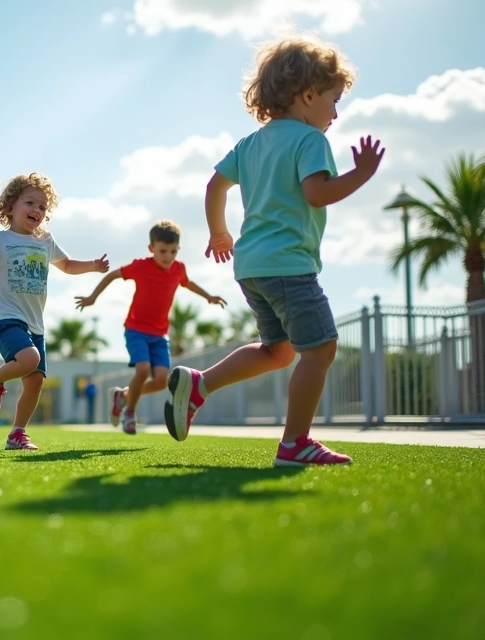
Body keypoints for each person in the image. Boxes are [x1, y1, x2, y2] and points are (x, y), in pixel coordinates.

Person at [165, 36, 383, 466]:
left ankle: (199, 385)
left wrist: (219, 233)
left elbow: (215, 186)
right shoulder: (309, 141)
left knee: (278, 351)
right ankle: (295, 443)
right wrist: (361, 173)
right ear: (307, 95)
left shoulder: (250, 144)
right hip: (289, 265)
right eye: (333, 101)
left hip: (251, 266)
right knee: (319, 349)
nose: (335, 114)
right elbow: (317, 193)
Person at [0, 173, 110, 450]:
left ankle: (17, 433)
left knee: (35, 382)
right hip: (5, 318)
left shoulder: (45, 241)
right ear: (9, 207)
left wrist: (92, 265)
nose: (37, 210)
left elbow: (66, 265)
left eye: (43, 207)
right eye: (30, 202)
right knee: (29, 358)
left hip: (35, 325)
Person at [75, 220, 226, 434]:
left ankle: (123, 397)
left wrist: (208, 296)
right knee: (143, 369)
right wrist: (92, 297)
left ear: (178, 250)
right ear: (151, 248)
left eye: (173, 251)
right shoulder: (141, 266)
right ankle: (129, 414)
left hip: (160, 334)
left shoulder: (178, 269)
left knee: (161, 381)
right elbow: (112, 275)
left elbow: (188, 282)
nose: (168, 256)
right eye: (162, 251)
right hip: (136, 329)